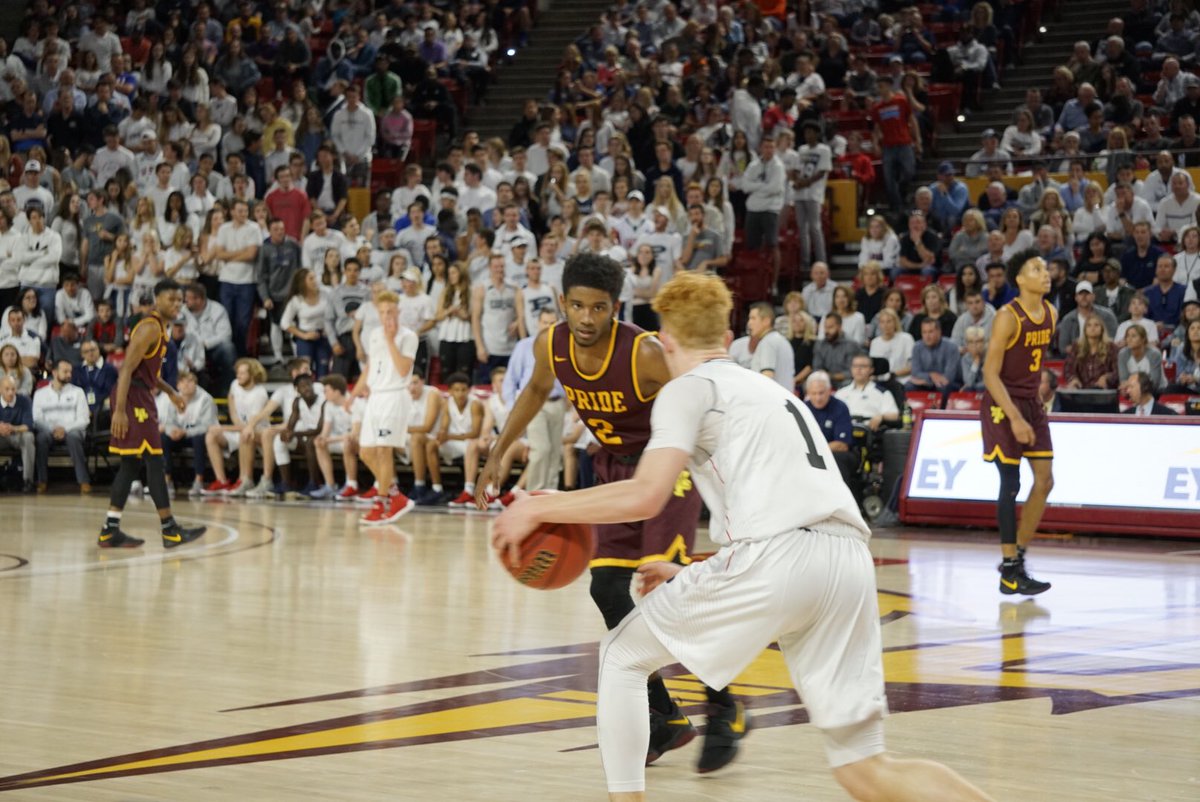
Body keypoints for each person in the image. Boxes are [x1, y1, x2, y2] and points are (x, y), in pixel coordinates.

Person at [491, 272, 996, 802]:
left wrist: (544, 507)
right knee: (865, 767)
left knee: (621, 655)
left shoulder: (687, 389)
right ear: (726, 333)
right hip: (846, 562)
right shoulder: (776, 393)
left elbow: (646, 494)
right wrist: (697, 572)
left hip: (778, 558)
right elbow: (775, 510)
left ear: (665, 341)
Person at [476, 253, 736, 772]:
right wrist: (498, 452)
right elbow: (533, 390)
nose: (587, 318)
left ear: (616, 308)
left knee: (667, 592)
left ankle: (724, 705)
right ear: (562, 304)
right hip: (613, 469)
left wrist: (727, 480)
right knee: (608, 589)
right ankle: (666, 717)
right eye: (577, 306)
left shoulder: (644, 353)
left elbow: (706, 400)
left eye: (598, 308)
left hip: (667, 468)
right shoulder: (551, 343)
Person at [98, 279, 206, 549]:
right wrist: (119, 411)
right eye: (171, 299)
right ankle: (170, 530)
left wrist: (170, 391)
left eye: (180, 300)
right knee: (154, 460)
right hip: (131, 396)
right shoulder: (149, 327)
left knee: (131, 464)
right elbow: (125, 370)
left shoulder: (160, 328)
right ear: (157, 300)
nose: (177, 304)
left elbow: (149, 373)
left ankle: (110, 530)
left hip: (140, 392)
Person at [981, 250, 1055, 595]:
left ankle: (1019, 556)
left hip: (1031, 402)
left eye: (1045, 268)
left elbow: (1032, 363)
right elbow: (989, 374)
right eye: (1036, 269)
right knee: (1010, 482)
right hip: (1002, 403)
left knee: (1045, 481)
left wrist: (1034, 403)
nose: (1045, 273)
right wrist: (1014, 417)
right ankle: (1010, 569)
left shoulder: (1051, 312)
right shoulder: (1007, 317)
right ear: (1020, 280)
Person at [352, 291, 418, 525]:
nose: (386, 316)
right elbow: (370, 366)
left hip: (395, 395)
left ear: (398, 311)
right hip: (375, 397)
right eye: (382, 312)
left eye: (390, 311)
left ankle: (382, 502)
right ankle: (395, 495)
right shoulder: (373, 334)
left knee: (383, 450)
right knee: (366, 452)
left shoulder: (409, 336)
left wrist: (391, 340)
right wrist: (354, 393)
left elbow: (402, 370)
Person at [500, 308, 565, 495]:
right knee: (541, 450)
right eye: (545, 322)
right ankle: (533, 495)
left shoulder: (564, 347)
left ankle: (549, 496)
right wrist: (513, 409)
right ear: (538, 324)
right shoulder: (525, 346)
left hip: (557, 402)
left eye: (553, 323)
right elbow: (510, 380)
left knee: (554, 454)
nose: (549, 326)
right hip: (534, 403)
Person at [202, 357, 270, 495]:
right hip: (239, 428)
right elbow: (232, 407)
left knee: (245, 434)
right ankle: (221, 481)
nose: (238, 376)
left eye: (242, 373)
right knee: (211, 436)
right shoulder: (235, 385)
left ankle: (245, 479)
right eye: (237, 372)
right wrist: (235, 424)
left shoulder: (260, 393)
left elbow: (250, 425)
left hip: (258, 432)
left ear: (252, 375)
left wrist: (223, 428)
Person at [32, 359, 92, 494]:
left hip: (72, 430)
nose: (69, 374)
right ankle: (42, 481)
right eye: (65, 371)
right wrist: (53, 429)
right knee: (41, 438)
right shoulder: (40, 394)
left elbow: (84, 419)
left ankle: (83, 481)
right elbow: (37, 419)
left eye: (70, 371)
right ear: (54, 372)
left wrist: (65, 429)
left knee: (74, 437)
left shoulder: (78, 392)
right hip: (49, 431)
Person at [157, 370, 218, 494]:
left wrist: (184, 432)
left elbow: (207, 425)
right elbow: (168, 422)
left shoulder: (205, 399)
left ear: (196, 384)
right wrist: (172, 431)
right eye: (182, 382)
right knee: (163, 438)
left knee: (199, 438)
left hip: (198, 435)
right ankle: (167, 480)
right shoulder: (174, 398)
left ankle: (198, 480)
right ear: (178, 385)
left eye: (190, 381)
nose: (186, 385)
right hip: (179, 435)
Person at [836, 355, 900, 432]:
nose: (858, 369)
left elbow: (895, 415)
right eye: (855, 366)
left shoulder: (882, 392)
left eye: (863, 366)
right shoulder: (841, 392)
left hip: (868, 432)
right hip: (843, 431)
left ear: (871, 370)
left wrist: (881, 416)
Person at [747, 302, 794, 390]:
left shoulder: (768, 342)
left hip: (771, 401)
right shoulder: (781, 340)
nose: (749, 323)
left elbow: (767, 377)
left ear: (766, 321)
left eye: (753, 318)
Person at [0, 375, 35, 492]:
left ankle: (28, 481)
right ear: (0, 389)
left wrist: (12, 428)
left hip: (17, 435)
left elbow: (28, 425)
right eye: (7, 389)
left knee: (29, 437)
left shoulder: (24, 401)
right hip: (1, 437)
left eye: (13, 389)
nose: (11, 392)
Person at [907, 318, 961, 393]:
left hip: (949, 384)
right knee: (909, 386)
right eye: (924, 332)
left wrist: (926, 379)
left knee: (942, 386)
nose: (927, 336)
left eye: (930, 332)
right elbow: (915, 373)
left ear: (939, 332)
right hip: (925, 383)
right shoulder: (917, 347)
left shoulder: (952, 347)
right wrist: (931, 375)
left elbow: (949, 377)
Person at [1064, 316, 1118, 390]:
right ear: (1085, 330)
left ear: (1102, 329)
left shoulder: (1111, 347)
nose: (1093, 328)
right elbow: (1068, 368)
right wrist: (1073, 379)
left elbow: (1117, 371)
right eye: (1089, 325)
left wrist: (1107, 377)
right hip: (1081, 389)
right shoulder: (1076, 347)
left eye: (1096, 325)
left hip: (1105, 390)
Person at [813, 313, 862, 388]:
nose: (827, 331)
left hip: (844, 381)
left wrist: (831, 376)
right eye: (826, 327)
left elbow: (851, 372)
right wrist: (824, 376)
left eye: (831, 327)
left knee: (847, 383)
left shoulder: (851, 345)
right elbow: (817, 367)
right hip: (825, 380)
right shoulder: (820, 344)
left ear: (840, 327)